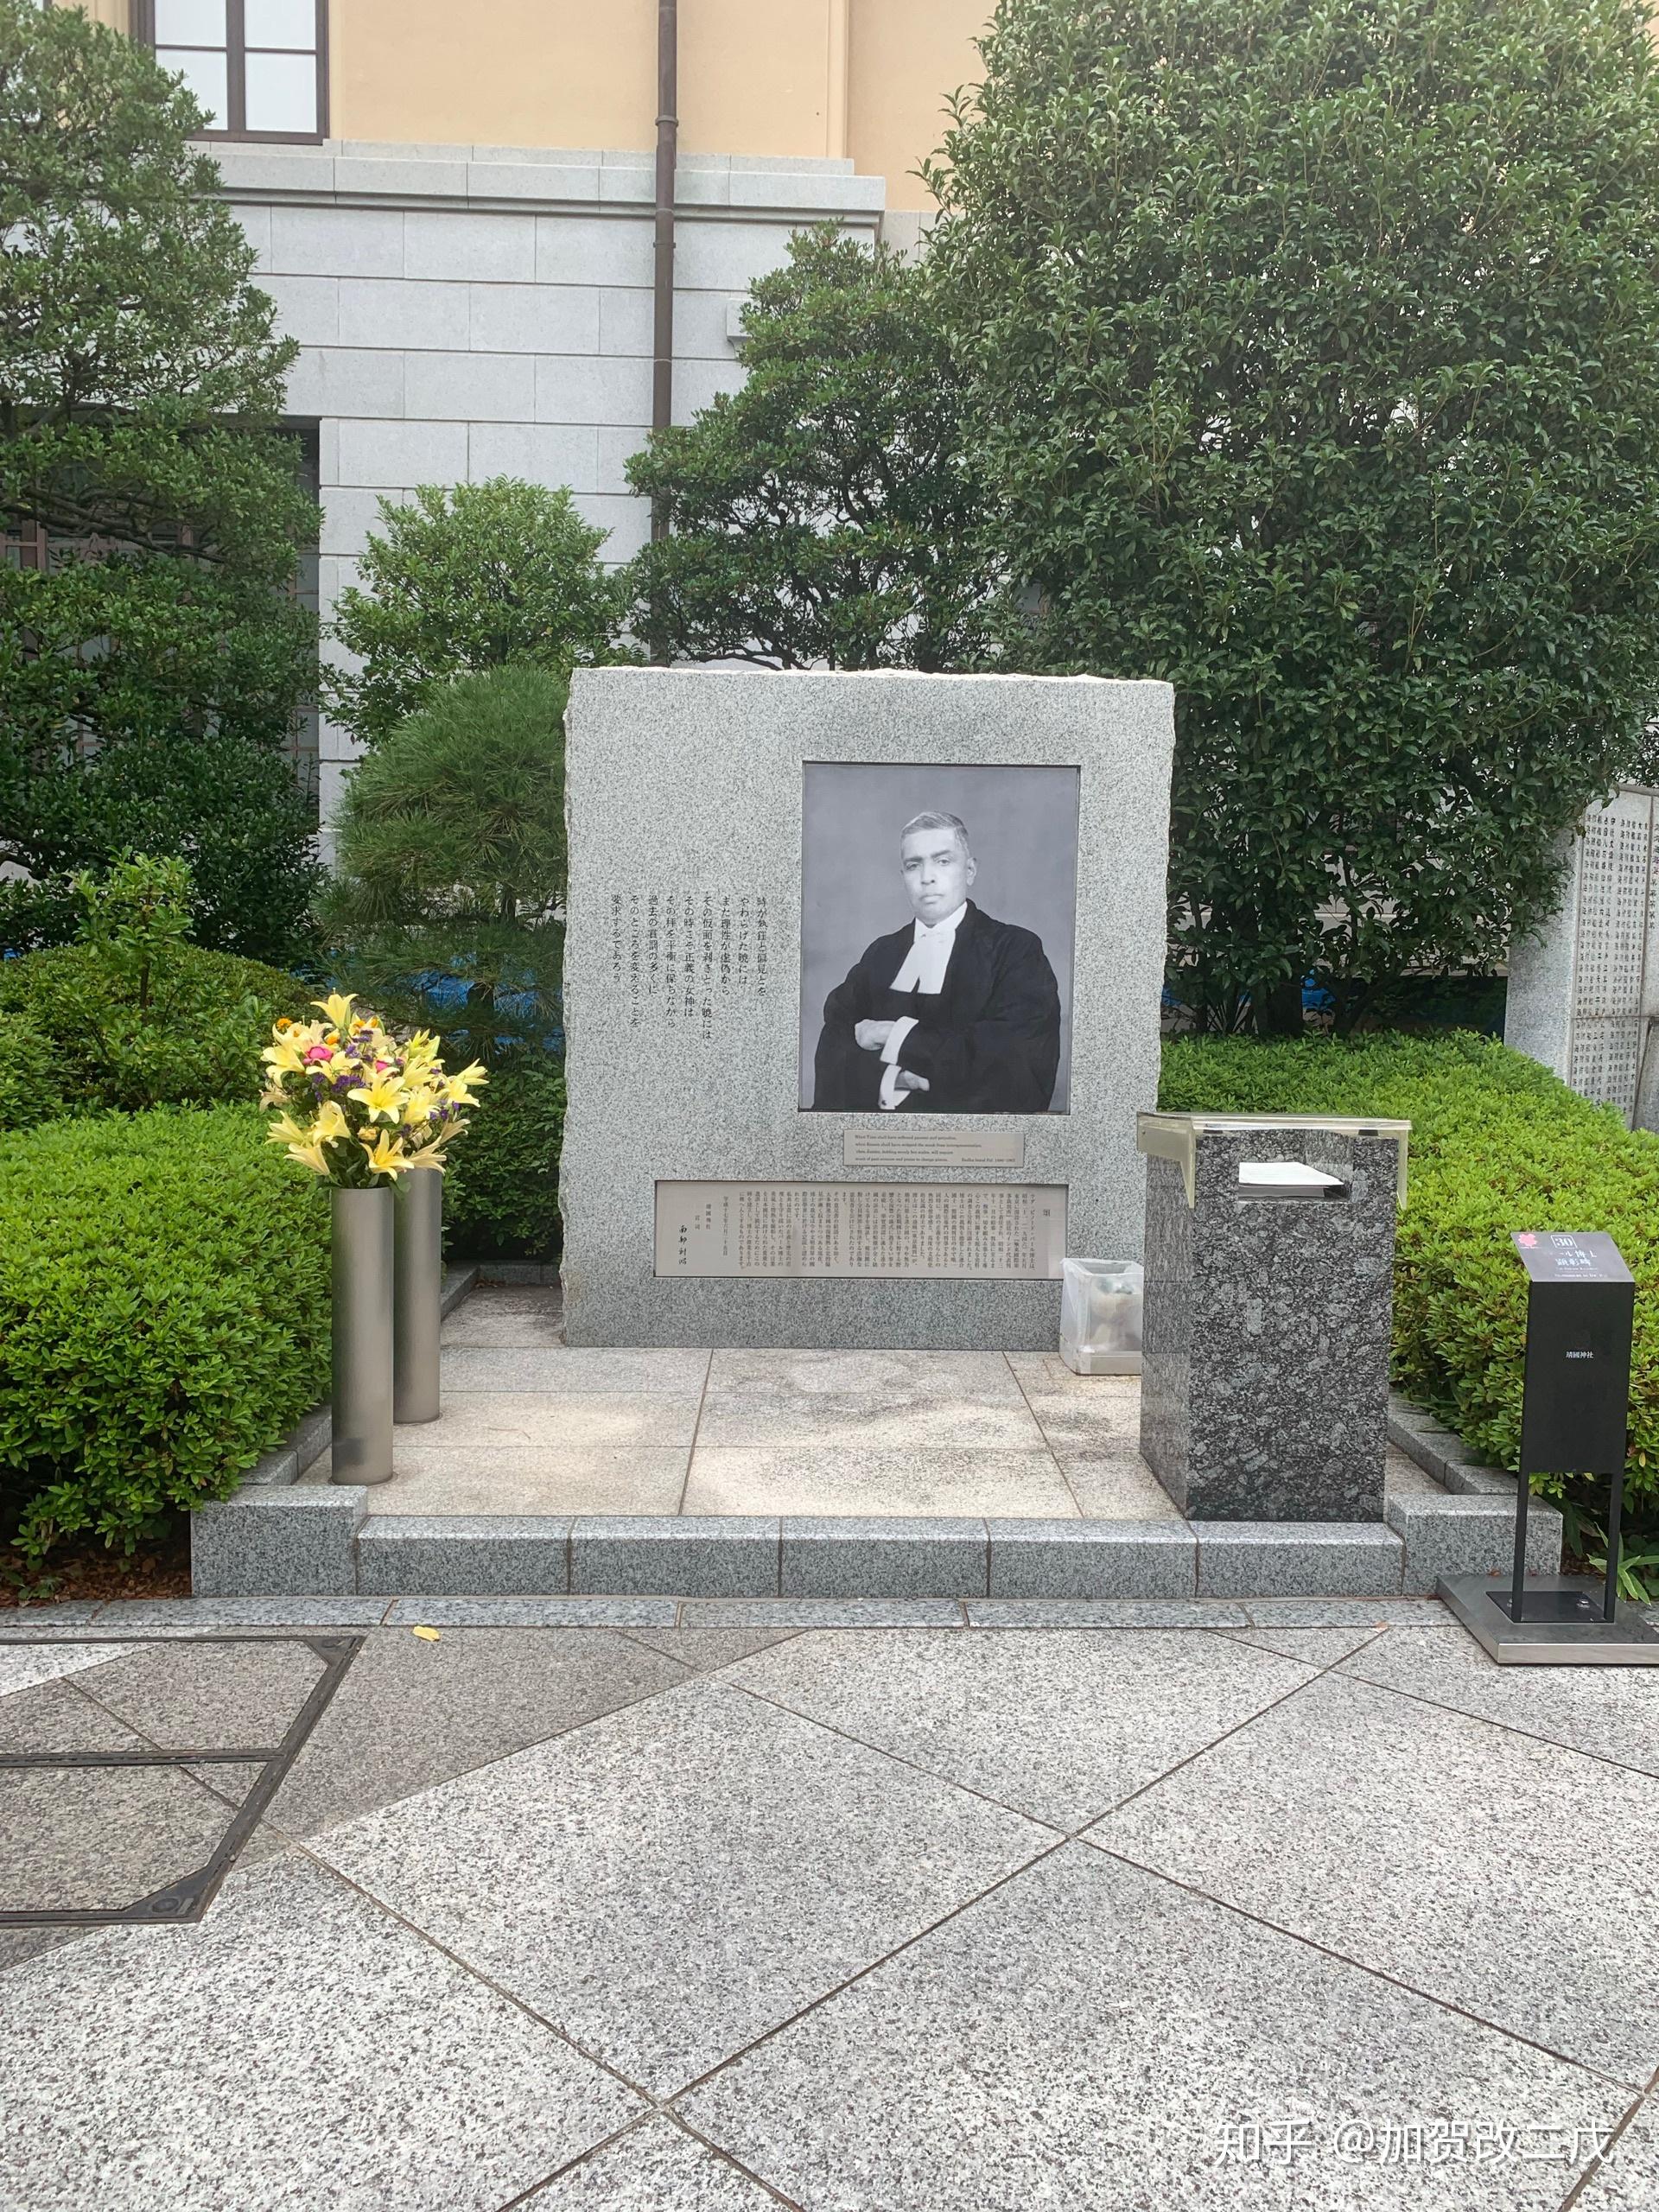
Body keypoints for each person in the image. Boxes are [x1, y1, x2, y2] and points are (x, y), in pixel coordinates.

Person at [811, 810, 1062, 1113]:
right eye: (913, 865)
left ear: (969, 871)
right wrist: (899, 1080)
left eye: (943, 861)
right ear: (903, 876)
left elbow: (1014, 1062)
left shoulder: (1016, 950)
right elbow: (834, 1052)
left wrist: (893, 1035)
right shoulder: (881, 954)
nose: (927, 877)